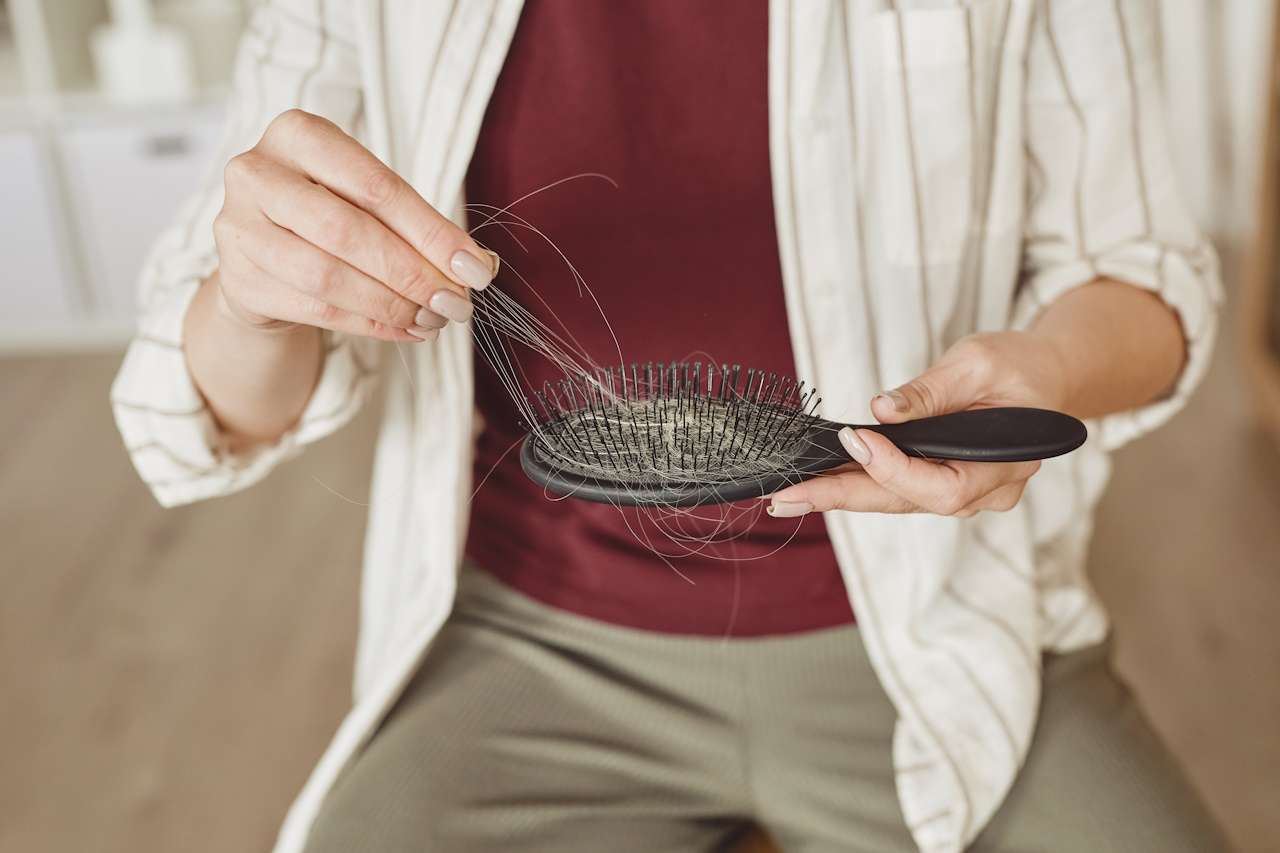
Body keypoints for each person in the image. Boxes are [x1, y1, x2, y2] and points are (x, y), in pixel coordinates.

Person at [111, 1, 1232, 851]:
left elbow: (1141, 278)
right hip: (525, 644)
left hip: (944, 623)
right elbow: (199, 408)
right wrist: (253, 293)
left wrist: (1042, 369)